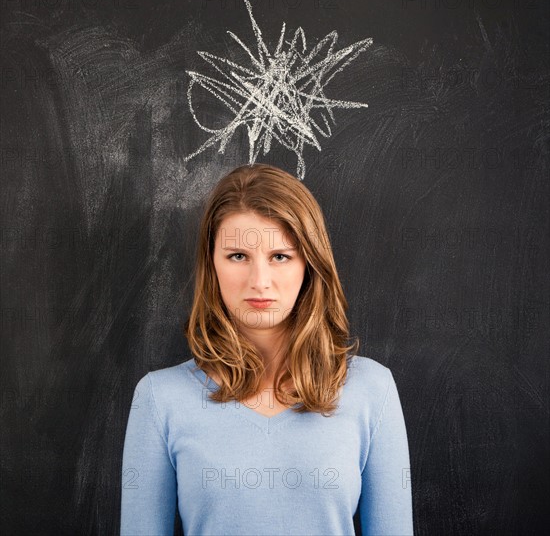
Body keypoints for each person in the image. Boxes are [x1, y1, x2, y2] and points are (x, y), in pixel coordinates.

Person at [120, 163, 414, 535]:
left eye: (280, 256)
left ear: (309, 264)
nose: (260, 282)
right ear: (212, 264)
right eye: (238, 256)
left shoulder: (373, 390)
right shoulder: (160, 399)